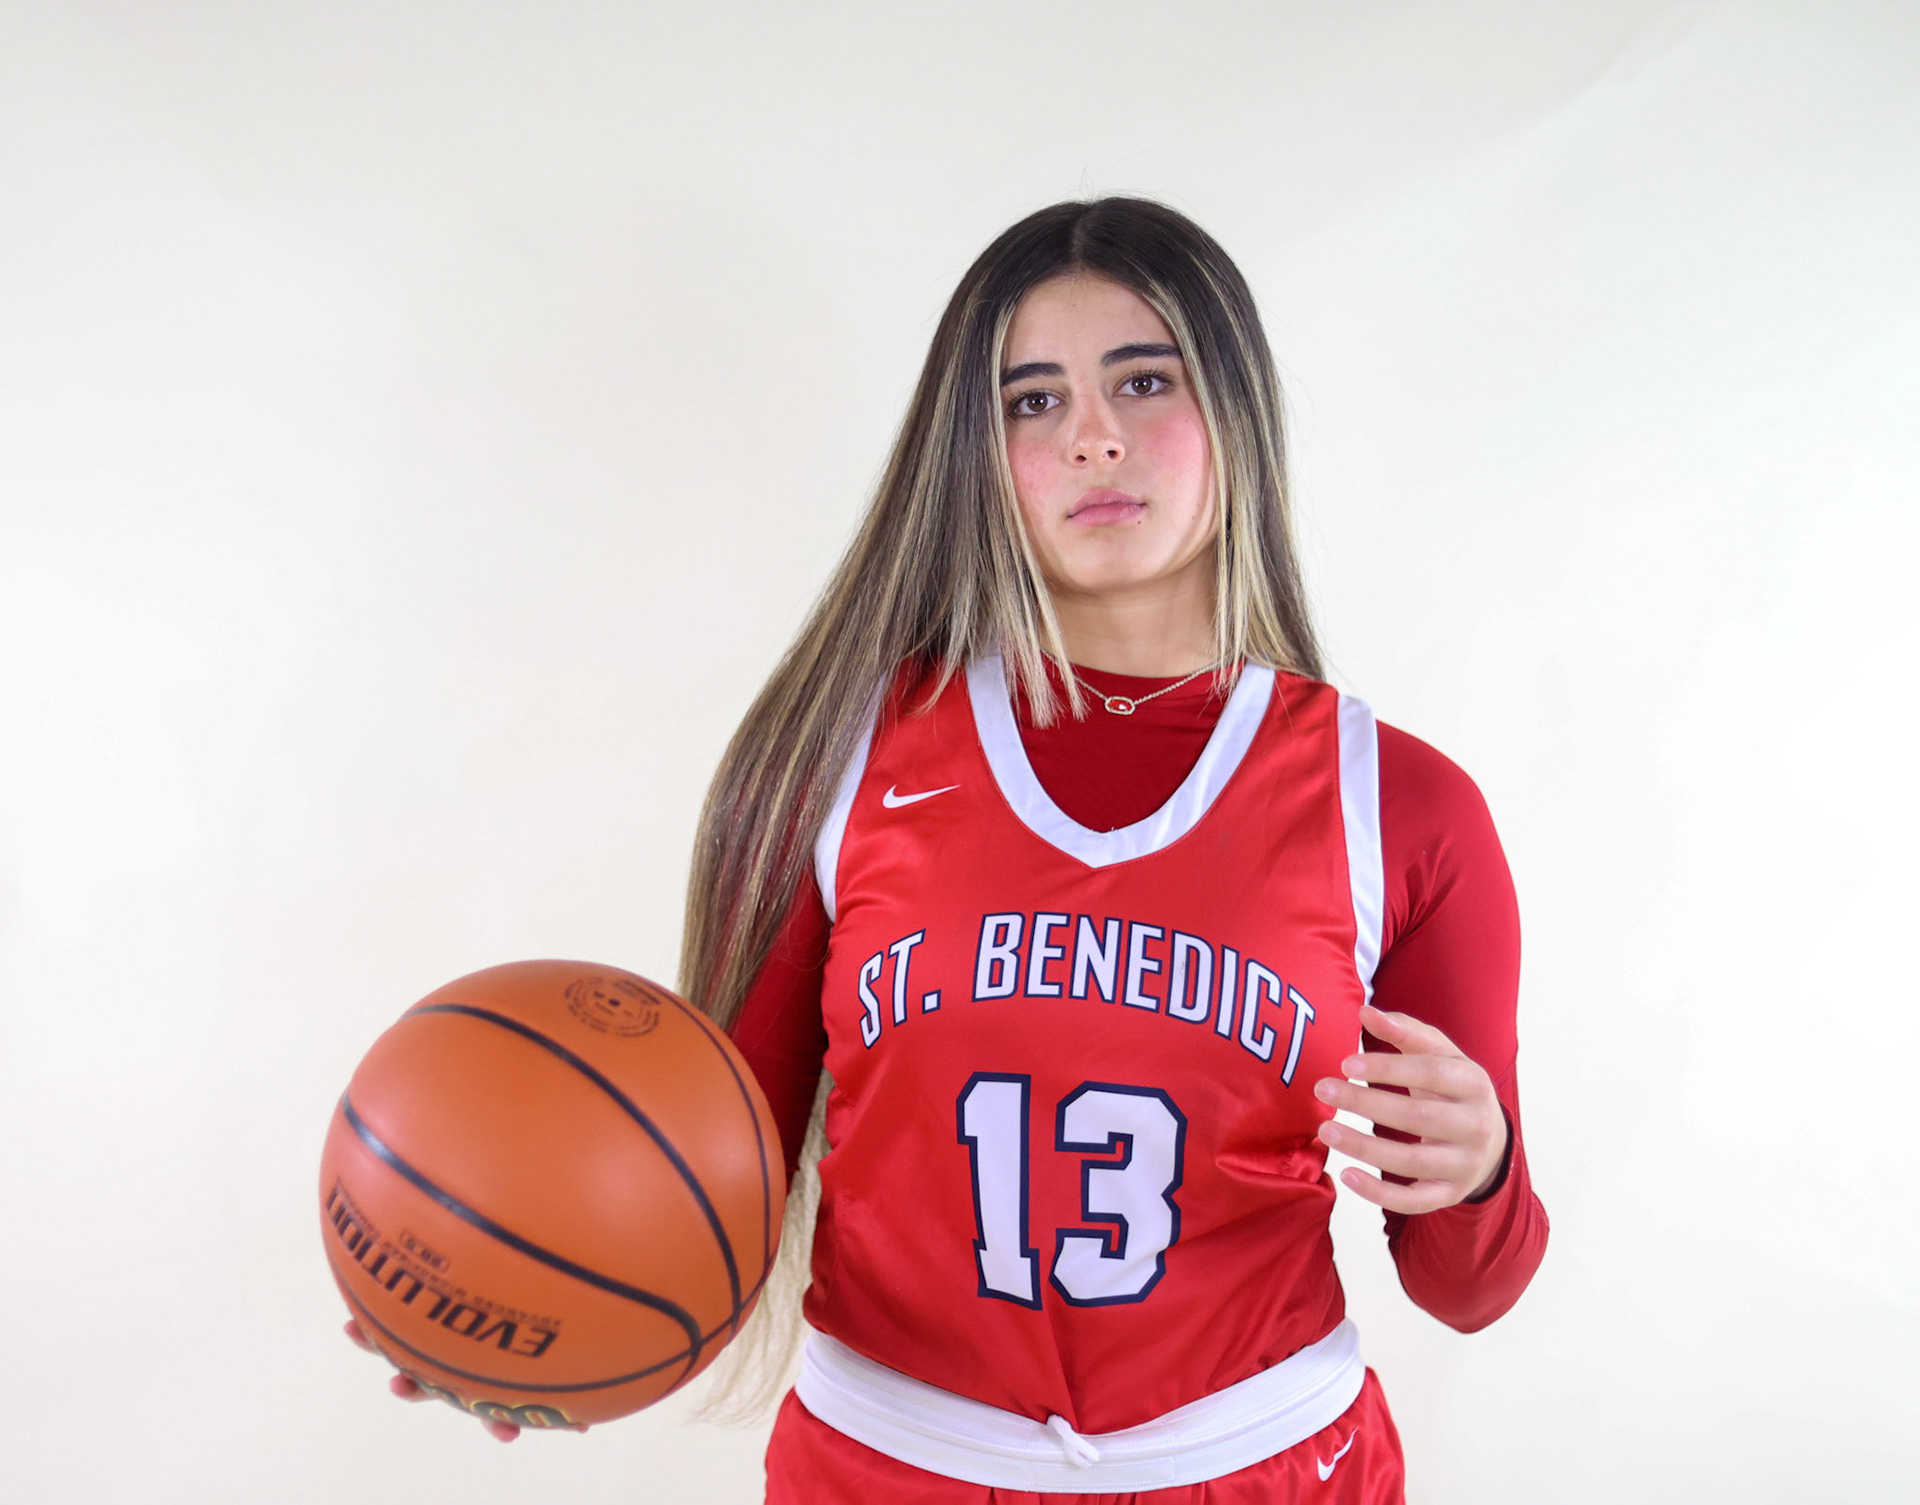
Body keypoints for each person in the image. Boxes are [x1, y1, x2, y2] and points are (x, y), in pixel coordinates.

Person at [349, 196, 1549, 1498]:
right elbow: (706, 1205)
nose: (1092, 433)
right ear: (975, 452)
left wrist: (1476, 1169)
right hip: (887, 1466)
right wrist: (512, 1291)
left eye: (1143, 379)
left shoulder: (1400, 807)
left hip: (1263, 1463)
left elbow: (1472, 1289)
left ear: (1239, 410)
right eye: (1032, 400)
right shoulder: (832, 757)